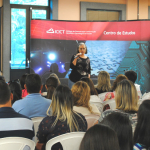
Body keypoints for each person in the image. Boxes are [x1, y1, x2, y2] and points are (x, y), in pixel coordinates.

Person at [36, 85, 87, 150]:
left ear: (54, 101)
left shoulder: (47, 122)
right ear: (71, 100)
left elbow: (40, 145)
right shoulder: (81, 119)